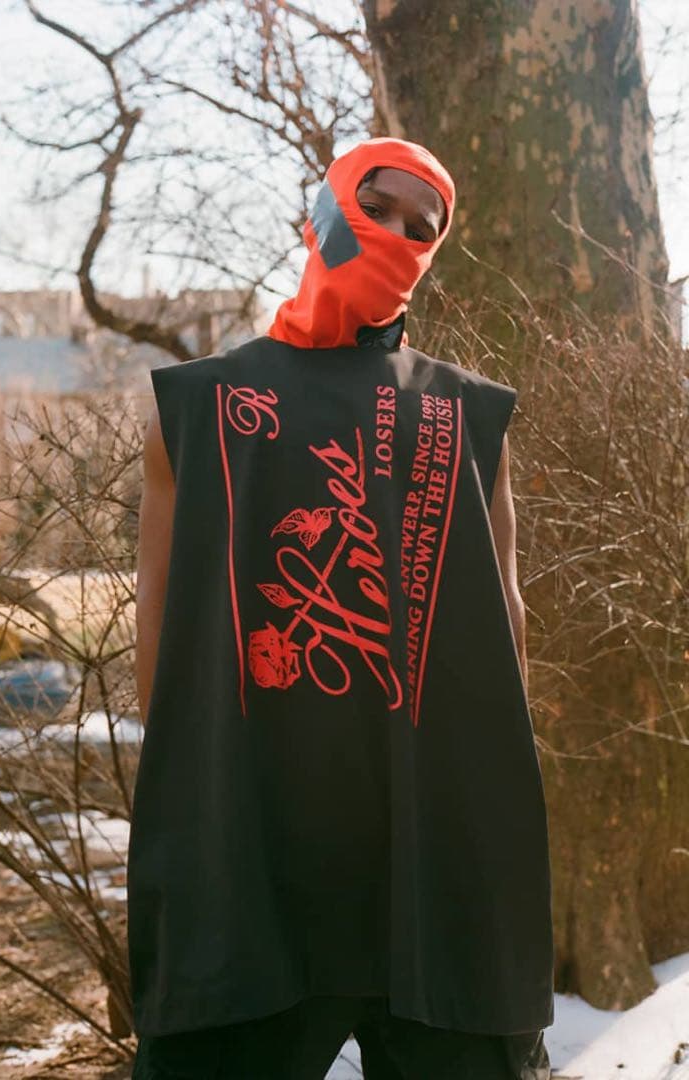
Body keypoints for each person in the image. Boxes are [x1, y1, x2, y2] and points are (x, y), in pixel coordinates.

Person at [129, 137, 554, 1079]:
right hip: (250, 863)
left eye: (423, 226)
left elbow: (508, 627)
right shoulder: (195, 409)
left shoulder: (467, 415)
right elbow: (159, 633)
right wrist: (191, 821)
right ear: (319, 215)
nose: (399, 234)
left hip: (432, 867)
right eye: (379, 206)